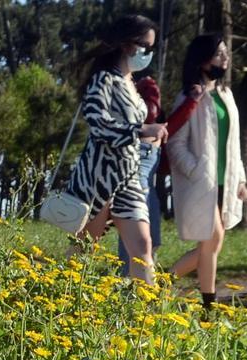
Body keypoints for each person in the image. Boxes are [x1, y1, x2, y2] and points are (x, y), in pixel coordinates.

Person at [67, 14, 167, 284]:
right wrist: (142, 130)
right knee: (84, 249)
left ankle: (143, 317)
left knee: (142, 248)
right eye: (145, 46)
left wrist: (148, 135)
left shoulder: (131, 83)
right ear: (127, 44)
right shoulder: (104, 79)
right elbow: (97, 124)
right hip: (100, 176)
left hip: (129, 176)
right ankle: (59, 305)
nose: (148, 53)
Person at [164, 34, 247, 310]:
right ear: (202, 61)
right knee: (213, 239)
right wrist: (196, 169)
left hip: (226, 180)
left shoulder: (226, 94)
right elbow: (174, 142)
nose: (225, 59)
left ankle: (161, 284)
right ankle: (208, 306)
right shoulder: (190, 96)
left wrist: (241, 179)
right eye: (219, 54)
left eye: (226, 54)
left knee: (210, 246)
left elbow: (234, 142)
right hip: (202, 182)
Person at [116, 76, 204, 274]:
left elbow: (169, 127)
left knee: (150, 240)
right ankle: (127, 284)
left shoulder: (156, 124)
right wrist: (191, 102)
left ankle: (141, 284)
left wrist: (191, 102)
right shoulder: (132, 117)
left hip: (147, 181)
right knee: (137, 240)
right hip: (136, 178)